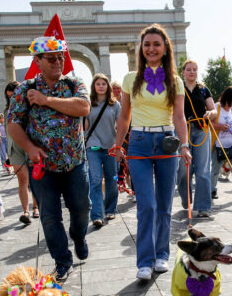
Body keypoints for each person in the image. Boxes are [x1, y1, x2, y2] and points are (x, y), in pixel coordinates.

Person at [8, 36, 91, 282]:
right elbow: (13, 124)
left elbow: (83, 107)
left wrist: (46, 100)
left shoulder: (74, 83)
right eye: (51, 58)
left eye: (60, 57)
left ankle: (78, 236)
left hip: (75, 162)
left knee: (82, 208)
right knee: (49, 216)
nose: (57, 62)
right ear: (38, 61)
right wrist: (29, 148)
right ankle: (62, 261)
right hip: (43, 166)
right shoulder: (25, 89)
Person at [112, 23, 191, 280]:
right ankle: (144, 261)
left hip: (167, 141)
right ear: (141, 49)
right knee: (146, 205)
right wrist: (118, 144)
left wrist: (185, 145)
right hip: (139, 142)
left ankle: (162, 255)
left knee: (164, 204)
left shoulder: (175, 80)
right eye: (147, 44)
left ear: (165, 48)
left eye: (157, 44)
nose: (151, 49)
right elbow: (124, 115)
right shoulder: (130, 78)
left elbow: (179, 116)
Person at [177, 60, 215, 217]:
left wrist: (210, 113)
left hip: (201, 130)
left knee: (203, 169)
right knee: (183, 169)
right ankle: (186, 198)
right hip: (183, 130)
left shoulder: (203, 89)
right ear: (183, 72)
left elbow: (213, 110)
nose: (192, 72)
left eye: (195, 69)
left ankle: (203, 207)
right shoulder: (178, 88)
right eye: (189, 69)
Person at [85, 73, 121, 228]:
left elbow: (120, 125)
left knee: (112, 179)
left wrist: (119, 144)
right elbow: (85, 127)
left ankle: (110, 209)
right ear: (93, 86)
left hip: (110, 146)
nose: (101, 86)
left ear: (108, 86)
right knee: (95, 180)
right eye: (98, 84)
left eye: (103, 84)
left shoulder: (115, 104)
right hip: (93, 146)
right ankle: (97, 215)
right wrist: (81, 113)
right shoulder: (88, 103)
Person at [5, 81, 40, 223]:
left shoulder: (32, 108)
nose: (11, 99)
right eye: (9, 97)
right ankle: (25, 211)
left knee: (35, 179)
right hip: (15, 148)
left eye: (13, 95)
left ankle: (36, 207)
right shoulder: (7, 111)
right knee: (22, 179)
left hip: (30, 145)